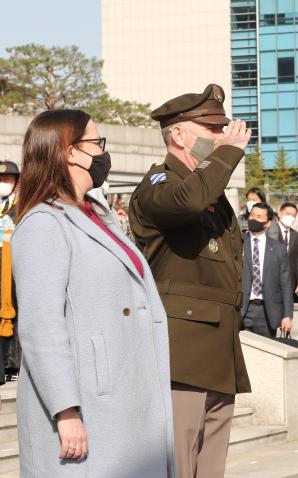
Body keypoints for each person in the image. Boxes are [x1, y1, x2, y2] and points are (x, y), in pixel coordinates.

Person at [11, 109, 175, 477]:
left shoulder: (96, 213)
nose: (103, 152)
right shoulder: (43, 223)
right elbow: (41, 328)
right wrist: (65, 410)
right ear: (71, 152)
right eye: (96, 143)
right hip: (89, 403)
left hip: (124, 391)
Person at [128, 84, 252, 478]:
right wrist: (228, 154)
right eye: (212, 128)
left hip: (217, 353)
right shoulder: (158, 186)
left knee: (210, 467)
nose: (222, 136)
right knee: (179, 466)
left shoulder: (210, 190)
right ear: (179, 134)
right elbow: (187, 202)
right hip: (182, 357)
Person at [241, 203, 293, 337]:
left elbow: (286, 284)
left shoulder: (279, 249)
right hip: (242, 309)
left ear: (268, 223)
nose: (253, 219)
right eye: (252, 215)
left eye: (259, 216)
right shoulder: (239, 243)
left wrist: (287, 315)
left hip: (267, 312)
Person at [0, 161, 21, 381]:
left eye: (7, 180)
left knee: (15, 310)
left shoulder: (21, 207)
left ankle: (12, 362)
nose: (3, 184)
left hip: (14, 266)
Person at [267, 202, 298, 300]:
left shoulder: (297, 236)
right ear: (279, 214)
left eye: (294, 215)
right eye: (288, 214)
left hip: (289, 283)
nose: (291, 217)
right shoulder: (269, 231)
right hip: (270, 280)